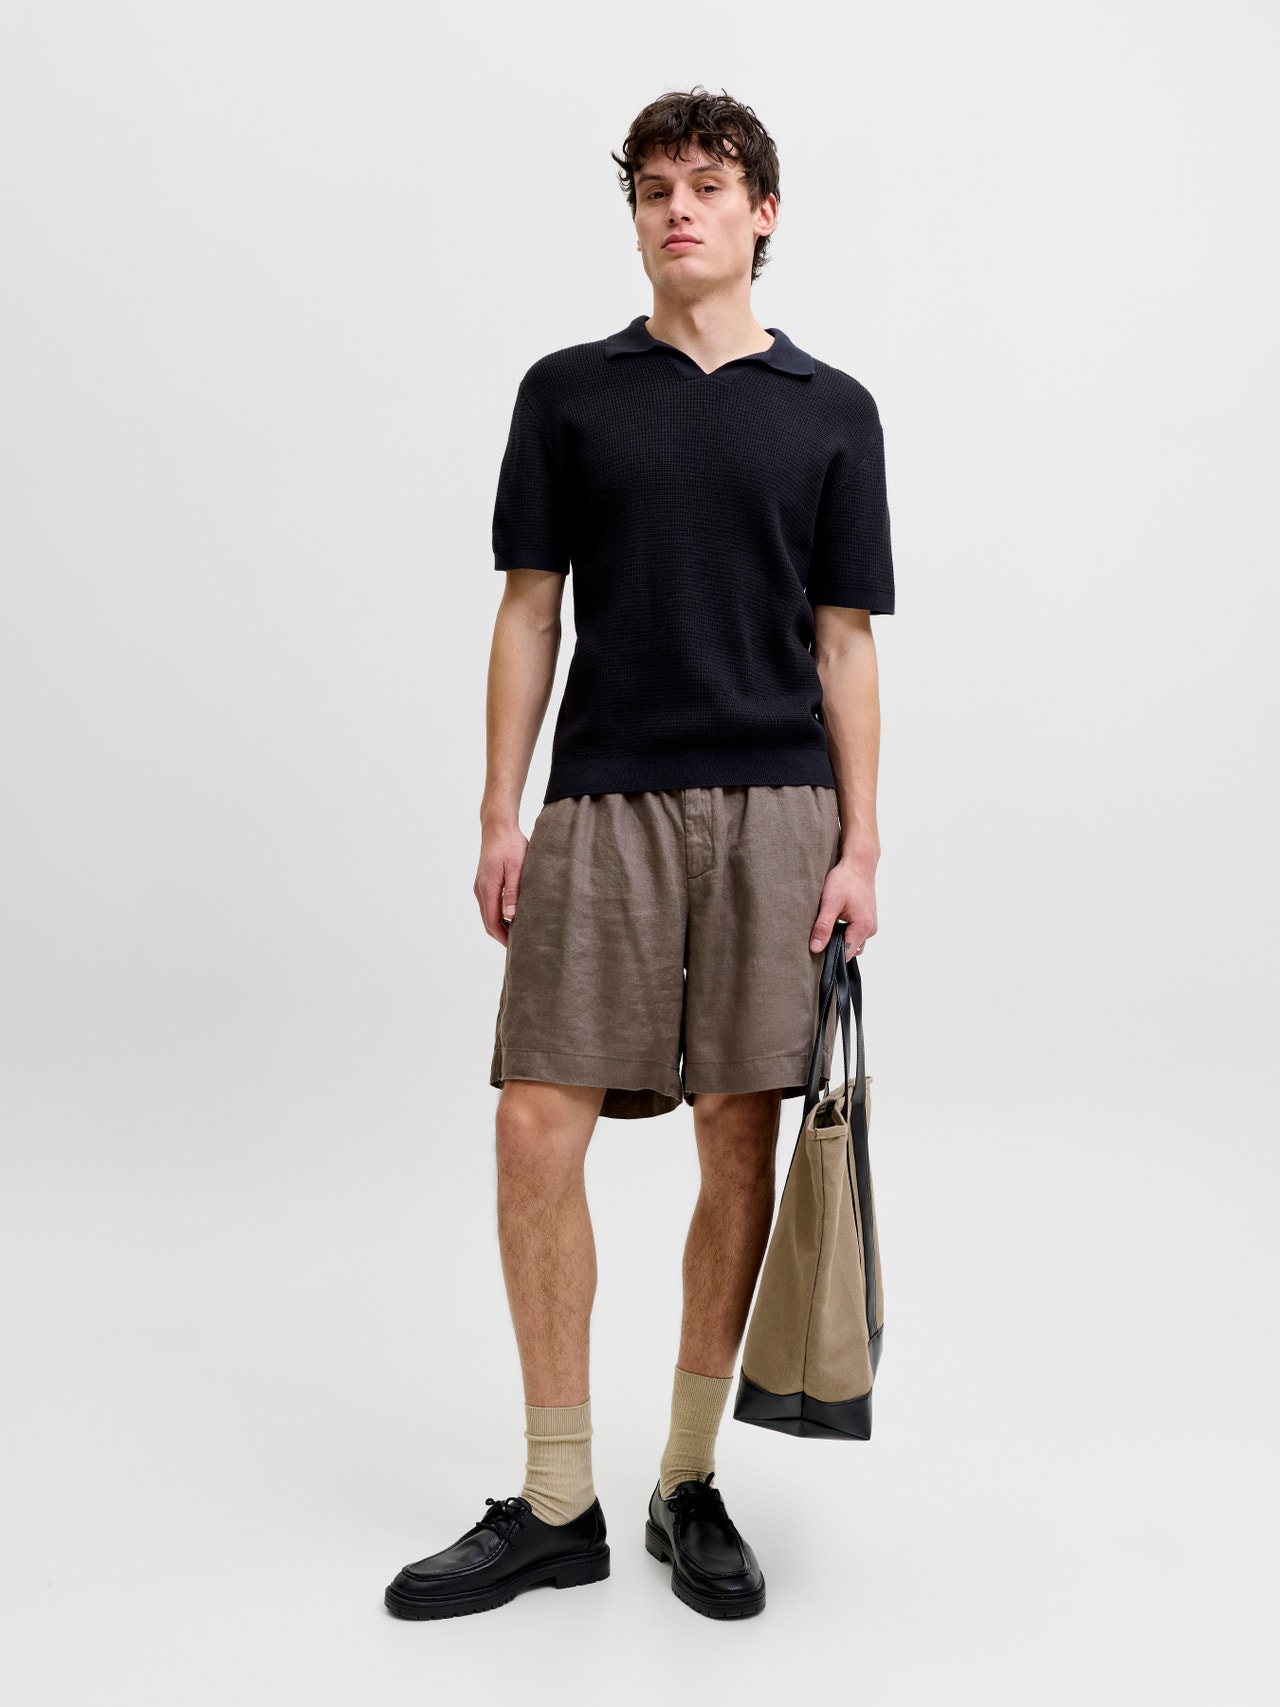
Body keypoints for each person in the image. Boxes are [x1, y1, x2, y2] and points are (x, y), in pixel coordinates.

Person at [384, 84, 894, 1624]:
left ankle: (686, 1482)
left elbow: (845, 642)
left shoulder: (832, 410)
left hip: (778, 810)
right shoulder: (569, 394)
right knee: (537, 1124)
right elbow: (529, 607)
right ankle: (557, 1500)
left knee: (738, 1141)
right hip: (601, 806)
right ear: (636, 218)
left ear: (763, 213)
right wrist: (500, 809)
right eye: (655, 188)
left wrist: (865, 843)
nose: (679, 208)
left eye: (709, 184)